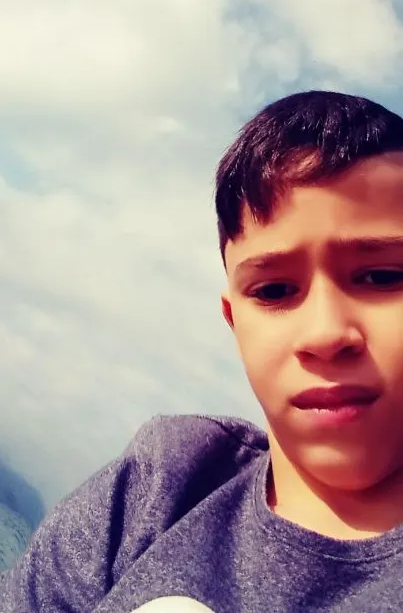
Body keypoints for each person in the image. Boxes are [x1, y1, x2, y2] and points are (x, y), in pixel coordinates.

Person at [2, 89, 403, 613]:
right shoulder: (159, 487)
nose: (326, 334)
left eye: (381, 276)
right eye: (275, 291)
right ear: (234, 322)